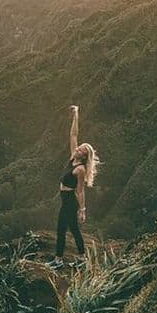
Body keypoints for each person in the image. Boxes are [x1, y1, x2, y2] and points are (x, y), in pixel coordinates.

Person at [45, 105, 99, 270]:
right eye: (79, 147)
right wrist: (76, 114)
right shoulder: (72, 158)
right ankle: (81, 259)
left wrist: (82, 210)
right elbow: (73, 134)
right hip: (66, 200)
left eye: (81, 150)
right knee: (73, 230)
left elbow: (80, 190)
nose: (78, 149)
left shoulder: (80, 169)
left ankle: (59, 260)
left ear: (84, 156)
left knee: (62, 229)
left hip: (70, 201)